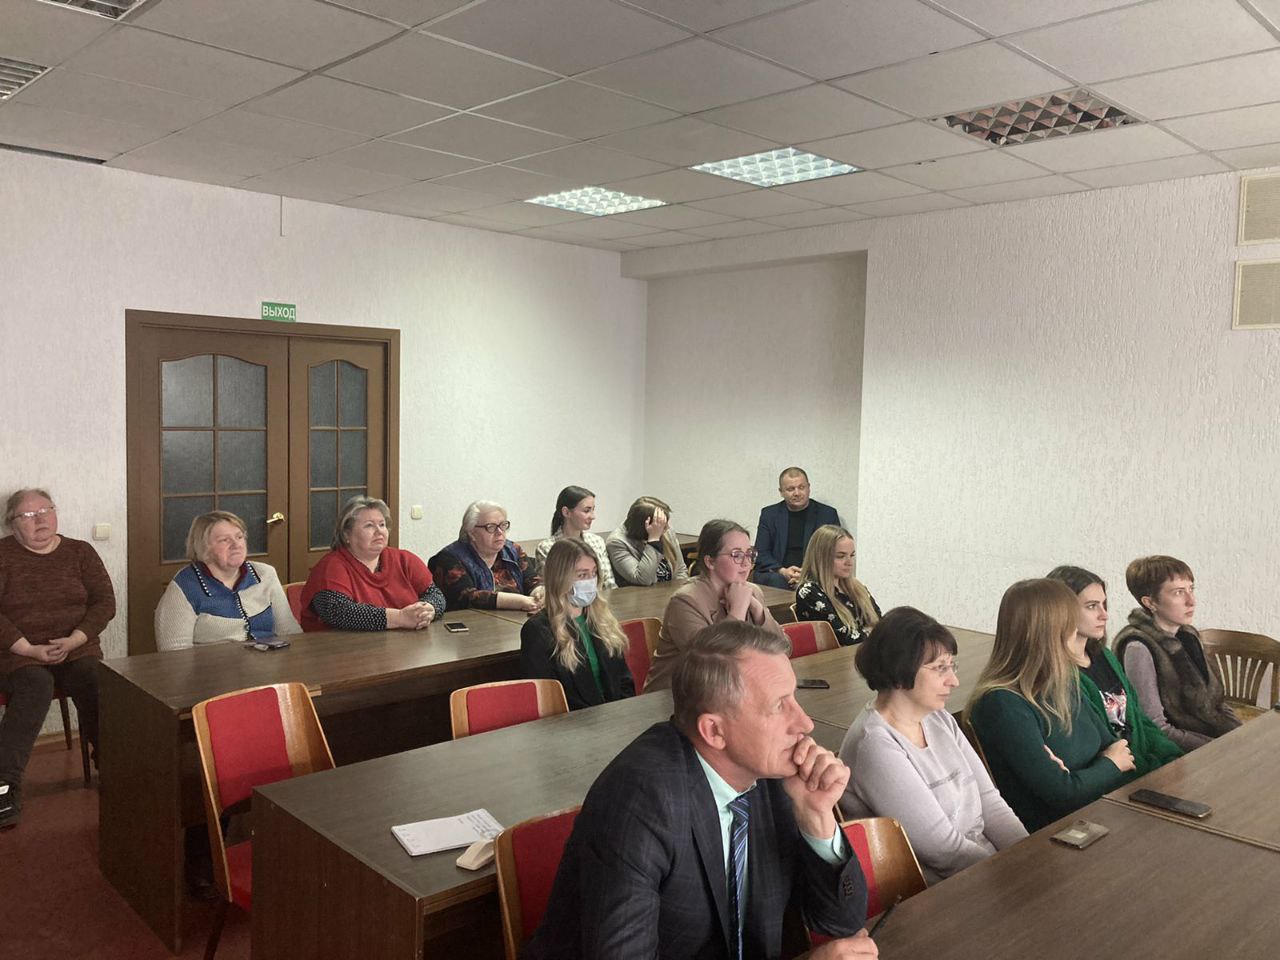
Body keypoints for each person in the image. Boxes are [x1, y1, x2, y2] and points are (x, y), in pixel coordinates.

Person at [525, 620, 876, 960]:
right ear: (714, 731)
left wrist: (816, 817)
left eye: (794, 698)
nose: (805, 723)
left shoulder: (771, 775)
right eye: (778, 706)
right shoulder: (639, 799)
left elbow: (841, 922)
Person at [839, 607, 1026, 883]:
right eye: (940, 668)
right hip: (938, 889)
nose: (954, 680)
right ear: (901, 668)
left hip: (984, 868)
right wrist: (1013, 874)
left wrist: (1028, 855)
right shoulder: (874, 744)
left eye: (952, 666)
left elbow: (990, 803)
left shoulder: (939, 718)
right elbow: (945, 852)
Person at [966, 578, 1137, 832]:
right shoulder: (1002, 705)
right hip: (1053, 836)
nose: (1076, 634)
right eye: (1071, 626)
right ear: (1048, 634)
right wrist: (1107, 766)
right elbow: (1063, 795)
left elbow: (1118, 749)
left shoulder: (1064, 681)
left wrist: (1083, 776)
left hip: (1099, 815)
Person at [0, 489, 115, 829]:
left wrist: (76, 639)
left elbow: (104, 602)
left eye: (46, 510)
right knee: (35, 684)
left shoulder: (80, 552)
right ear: (12, 524)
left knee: (94, 677)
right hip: (17, 653)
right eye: (28, 515)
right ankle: (5, 784)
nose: (40, 520)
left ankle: (110, 761)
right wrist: (28, 649)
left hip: (76, 647)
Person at [1046, 565, 1183, 774]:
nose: (1104, 615)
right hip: (1120, 776)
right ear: (1062, 611)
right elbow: (1099, 749)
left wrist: (1173, 756)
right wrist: (1153, 771)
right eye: (1092, 606)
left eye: (1104, 604)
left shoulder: (1105, 656)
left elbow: (1139, 720)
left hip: (1145, 765)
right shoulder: (1061, 676)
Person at [1113, 555, 1239, 750]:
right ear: (1150, 602)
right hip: (1175, 753)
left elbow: (1217, 704)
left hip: (1209, 739)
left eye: (1191, 589)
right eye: (1179, 592)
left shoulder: (1188, 635)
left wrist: (1242, 734)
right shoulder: (1138, 649)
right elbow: (1156, 728)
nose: (1191, 601)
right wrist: (1219, 748)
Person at [644, 519, 786, 692]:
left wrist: (758, 611)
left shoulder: (752, 592)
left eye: (749, 554)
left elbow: (784, 650)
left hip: (730, 691)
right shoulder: (685, 601)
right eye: (737, 555)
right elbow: (711, 665)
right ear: (710, 562)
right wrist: (737, 611)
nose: (746, 563)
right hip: (678, 695)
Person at [154, 511, 301, 650]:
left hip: (270, 664)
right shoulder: (184, 586)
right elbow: (174, 653)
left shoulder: (265, 574)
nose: (236, 545)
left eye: (239, 537)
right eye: (224, 540)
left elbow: (290, 632)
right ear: (203, 547)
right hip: (212, 667)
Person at [299, 496, 444, 631]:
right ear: (346, 534)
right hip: (341, 647)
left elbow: (434, 594)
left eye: (382, 524)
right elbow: (338, 612)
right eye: (369, 525)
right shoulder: (331, 566)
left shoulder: (404, 559)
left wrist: (428, 609)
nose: (379, 531)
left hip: (401, 644)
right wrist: (400, 618)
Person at [521, 539, 634, 710]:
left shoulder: (602, 620)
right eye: (582, 575)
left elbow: (624, 681)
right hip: (574, 721)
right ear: (560, 578)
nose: (591, 581)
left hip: (616, 715)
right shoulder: (538, 630)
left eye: (594, 573)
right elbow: (548, 699)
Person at [429, 500, 544, 613]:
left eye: (503, 525)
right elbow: (470, 597)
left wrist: (538, 593)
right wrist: (520, 602)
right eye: (491, 527)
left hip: (514, 620)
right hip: (474, 621)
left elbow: (533, 581)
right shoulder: (449, 558)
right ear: (472, 533)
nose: (500, 532)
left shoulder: (513, 550)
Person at [753, 467, 840, 589]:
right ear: (781, 492)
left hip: (814, 573)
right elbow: (761, 553)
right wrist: (783, 571)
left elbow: (832, 553)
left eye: (801, 487)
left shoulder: (827, 514)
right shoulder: (769, 514)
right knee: (776, 580)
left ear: (809, 488)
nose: (797, 493)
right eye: (790, 489)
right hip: (778, 573)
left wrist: (806, 574)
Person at [795, 525, 880, 646]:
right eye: (841, 556)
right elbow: (846, 639)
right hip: (834, 656)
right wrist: (873, 632)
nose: (849, 562)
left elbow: (881, 624)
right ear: (821, 558)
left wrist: (873, 633)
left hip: (864, 651)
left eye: (852, 555)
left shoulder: (857, 587)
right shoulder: (809, 591)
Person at [535, 486, 615, 589]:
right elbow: (551, 590)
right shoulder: (547, 548)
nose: (593, 516)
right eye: (586, 511)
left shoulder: (597, 541)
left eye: (593, 510)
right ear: (566, 512)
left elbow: (609, 584)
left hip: (601, 597)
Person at [605, 495, 689, 586]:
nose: (667, 527)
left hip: (671, 591)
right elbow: (643, 579)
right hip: (642, 594)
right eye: (660, 523)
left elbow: (681, 570)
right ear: (646, 525)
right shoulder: (617, 542)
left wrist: (680, 591)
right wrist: (654, 540)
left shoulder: (666, 531)